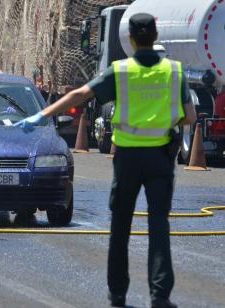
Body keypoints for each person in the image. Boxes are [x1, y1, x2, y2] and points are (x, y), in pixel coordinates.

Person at [14, 13, 197, 308]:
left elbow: (81, 94)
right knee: (159, 225)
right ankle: (160, 297)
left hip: (128, 158)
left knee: (121, 226)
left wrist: (41, 115)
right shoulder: (174, 72)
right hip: (161, 158)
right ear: (156, 36)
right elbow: (189, 116)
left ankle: (118, 295)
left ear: (132, 40)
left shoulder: (120, 71)